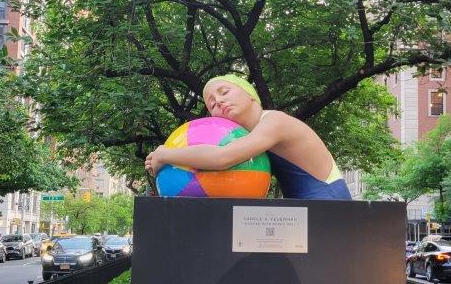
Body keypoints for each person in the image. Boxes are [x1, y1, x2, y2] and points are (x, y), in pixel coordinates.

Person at [145, 74, 352, 200]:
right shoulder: (251, 136)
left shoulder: (275, 122)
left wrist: (165, 154)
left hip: (328, 205)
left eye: (224, 92)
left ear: (251, 94)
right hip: (306, 211)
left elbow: (222, 158)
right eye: (212, 104)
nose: (219, 101)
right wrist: (163, 164)